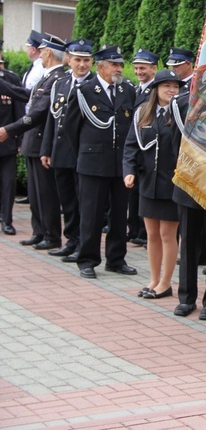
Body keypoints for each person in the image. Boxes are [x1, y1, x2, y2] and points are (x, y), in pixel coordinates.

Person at [64, 44, 138, 279]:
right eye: (114, 65)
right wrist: (86, 153)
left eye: (120, 64)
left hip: (120, 164)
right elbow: (71, 127)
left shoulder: (127, 90)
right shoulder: (85, 91)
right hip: (93, 163)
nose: (119, 69)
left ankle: (116, 259)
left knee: (118, 215)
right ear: (101, 66)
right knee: (91, 214)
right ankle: (87, 259)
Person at [0, 33, 67, 250]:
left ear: (47, 52)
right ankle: (39, 231)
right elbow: (27, 95)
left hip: (41, 141)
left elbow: (38, 113)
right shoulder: (47, 77)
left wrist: (9, 130)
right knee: (35, 193)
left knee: (46, 193)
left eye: (42, 51)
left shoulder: (57, 78)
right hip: (33, 141)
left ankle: (51, 235)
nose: (40, 55)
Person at [170, 70, 206, 320]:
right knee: (189, 244)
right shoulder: (181, 103)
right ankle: (186, 297)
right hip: (189, 182)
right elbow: (174, 143)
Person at [123, 69, 183, 298]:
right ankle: (154, 279)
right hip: (148, 182)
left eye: (175, 86)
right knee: (152, 234)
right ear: (155, 90)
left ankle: (165, 283)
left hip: (171, 183)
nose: (171, 90)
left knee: (168, 234)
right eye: (166, 86)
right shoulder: (142, 114)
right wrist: (128, 171)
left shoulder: (180, 114)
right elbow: (131, 146)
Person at [40, 38, 96, 261]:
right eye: (77, 60)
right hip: (62, 151)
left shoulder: (94, 85)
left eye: (86, 60)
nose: (82, 65)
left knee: (85, 202)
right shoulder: (60, 83)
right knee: (68, 201)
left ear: (91, 62)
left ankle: (83, 243)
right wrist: (47, 148)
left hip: (84, 154)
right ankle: (71, 240)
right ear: (68, 60)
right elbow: (52, 120)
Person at [128, 48, 159, 248]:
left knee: (144, 195)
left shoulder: (154, 92)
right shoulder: (132, 89)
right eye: (137, 68)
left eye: (143, 68)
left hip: (147, 151)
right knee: (133, 195)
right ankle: (135, 231)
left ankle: (144, 233)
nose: (139, 72)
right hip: (134, 150)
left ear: (154, 69)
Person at [0, 40, 25, 236]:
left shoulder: (10, 79)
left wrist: (19, 140)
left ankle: (7, 220)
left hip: (6, 142)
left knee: (8, 183)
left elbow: (19, 111)